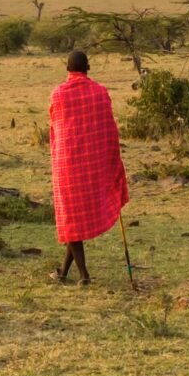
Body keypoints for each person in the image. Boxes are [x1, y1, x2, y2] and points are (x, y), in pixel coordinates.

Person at [48, 51, 129, 284]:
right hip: (93, 167)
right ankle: (63, 273)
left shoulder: (58, 94)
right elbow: (110, 130)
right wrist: (112, 162)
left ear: (67, 68)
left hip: (67, 166)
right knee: (73, 222)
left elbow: (55, 126)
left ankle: (83, 276)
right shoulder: (100, 92)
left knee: (71, 220)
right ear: (88, 67)